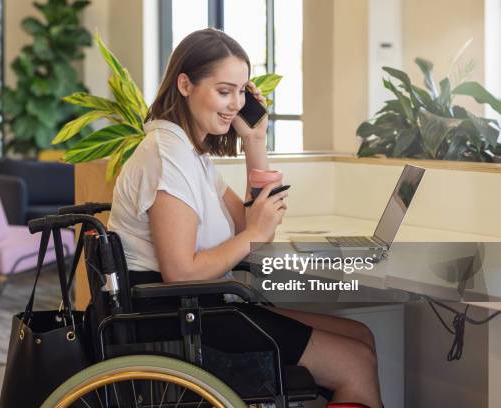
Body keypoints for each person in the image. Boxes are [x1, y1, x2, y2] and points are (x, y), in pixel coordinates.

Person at [108, 28, 383, 408]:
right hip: (179, 319)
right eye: (224, 91)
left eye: (241, 91)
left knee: (361, 336)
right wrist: (254, 231)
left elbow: (244, 222)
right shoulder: (168, 156)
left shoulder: (191, 154)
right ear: (185, 84)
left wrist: (255, 142)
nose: (236, 103)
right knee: (356, 362)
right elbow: (182, 272)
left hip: (200, 308)